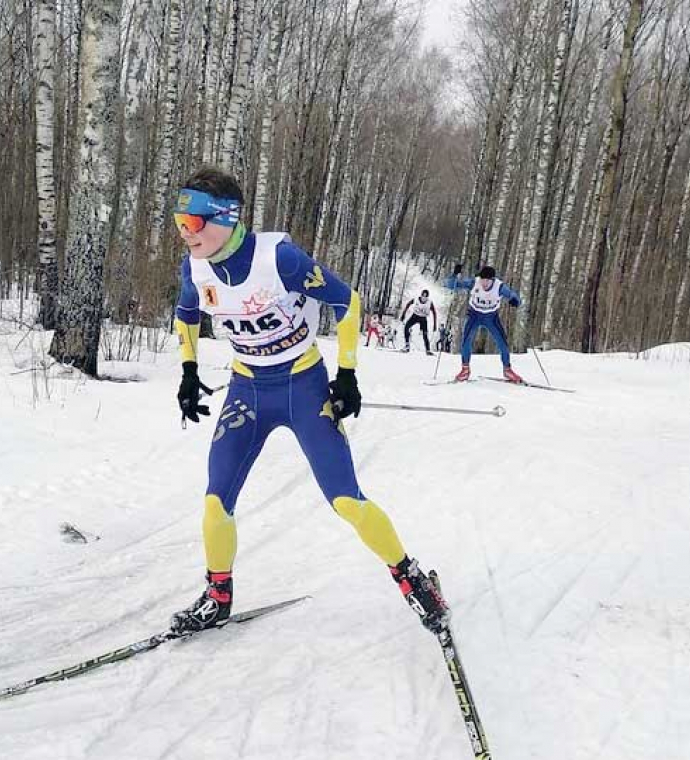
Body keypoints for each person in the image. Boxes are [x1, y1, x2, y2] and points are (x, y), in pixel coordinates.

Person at [170, 166, 448, 636]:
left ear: (225, 218)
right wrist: (189, 371)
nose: (184, 233)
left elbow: (348, 302)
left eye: (193, 223)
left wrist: (347, 373)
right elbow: (186, 314)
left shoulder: (279, 259)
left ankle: (412, 578)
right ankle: (218, 595)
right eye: (179, 222)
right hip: (247, 390)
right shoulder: (194, 267)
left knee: (346, 500)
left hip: (303, 387)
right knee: (216, 500)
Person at [443, 264, 523, 383]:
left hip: (491, 317)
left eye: (487, 280)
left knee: (502, 342)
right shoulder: (474, 283)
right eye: (482, 279)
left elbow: (512, 295)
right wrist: (454, 275)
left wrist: (514, 300)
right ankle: (465, 369)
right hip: (474, 315)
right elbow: (451, 285)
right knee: (466, 341)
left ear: (492, 280)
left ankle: (507, 370)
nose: (484, 283)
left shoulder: (499, 287)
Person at [400, 290, 437, 355]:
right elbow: (408, 304)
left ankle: (428, 350)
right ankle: (407, 346)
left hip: (423, 318)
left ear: (427, 297)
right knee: (406, 327)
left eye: (426, 296)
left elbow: (434, 313)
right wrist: (403, 314)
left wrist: (435, 325)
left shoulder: (429, 303)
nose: (424, 298)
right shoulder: (416, 299)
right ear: (421, 295)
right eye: (423, 296)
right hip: (415, 316)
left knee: (425, 334)